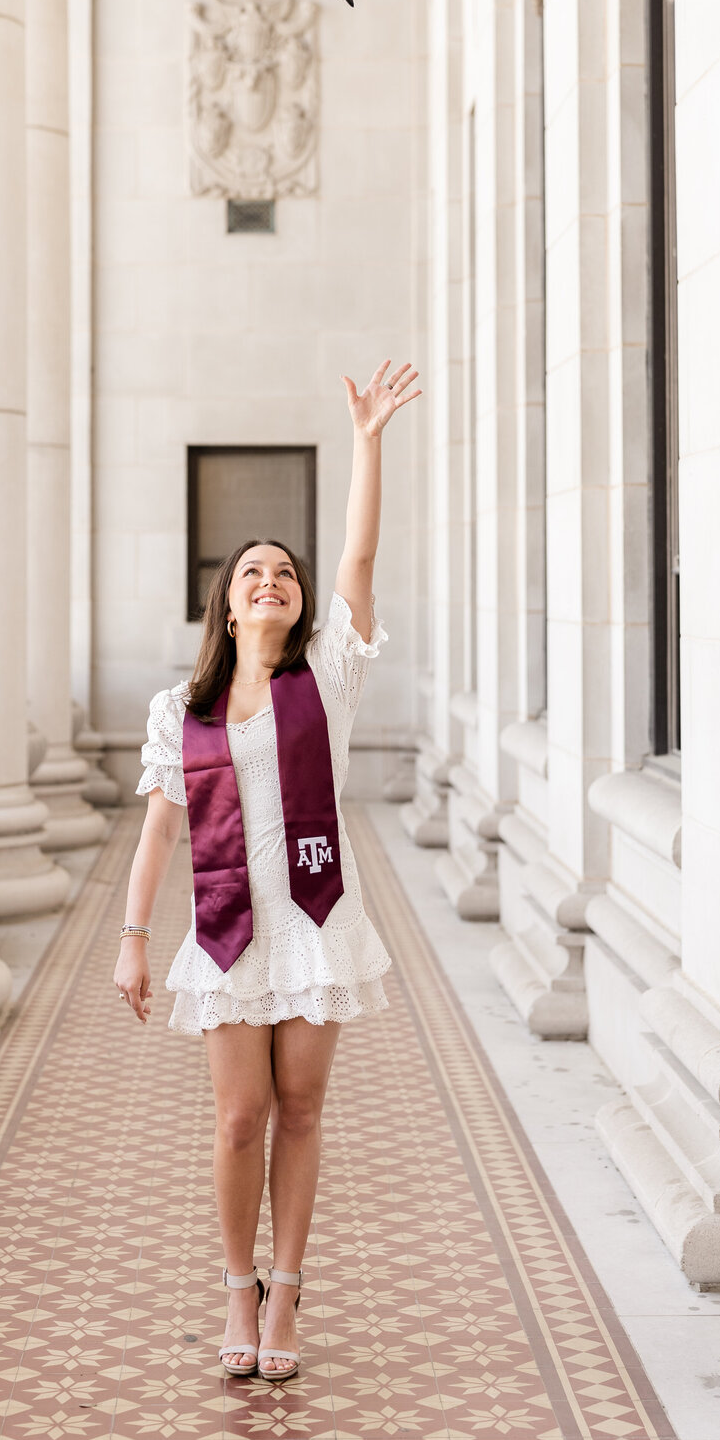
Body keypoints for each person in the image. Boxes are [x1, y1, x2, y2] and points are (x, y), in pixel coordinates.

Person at [113, 360, 421, 1382]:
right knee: (239, 1115)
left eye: (284, 573)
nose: (272, 582)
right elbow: (159, 834)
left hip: (316, 921)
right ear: (228, 603)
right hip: (225, 931)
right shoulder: (182, 712)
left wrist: (368, 442)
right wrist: (131, 940)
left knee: (302, 1110)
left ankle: (287, 1290)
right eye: (254, 572)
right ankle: (235, 1285)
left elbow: (361, 559)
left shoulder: (326, 683)